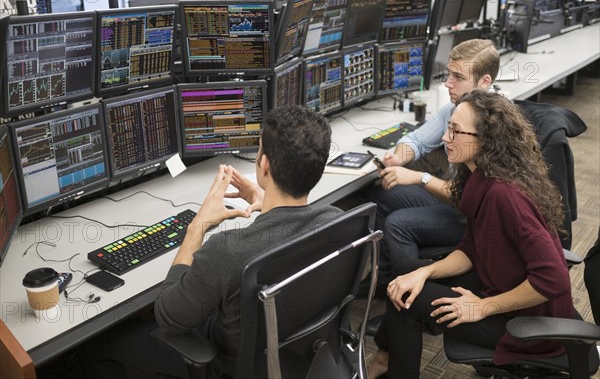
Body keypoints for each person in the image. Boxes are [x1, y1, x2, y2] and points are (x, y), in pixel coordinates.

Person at [80, 105, 342, 378]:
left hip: (226, 364)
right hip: (298, 354)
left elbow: (169, 315)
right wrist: (269, 204)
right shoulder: (337, 221)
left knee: (96, 343)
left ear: (264, 164)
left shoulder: (228, 250)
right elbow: (288, 231)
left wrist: (198, 225)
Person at [368, 90, 574, 379]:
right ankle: (386, 361)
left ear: (486, 140)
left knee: (406, 300)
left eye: (455, 131)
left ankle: (387, 364)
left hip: (531, 324)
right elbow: (471, 247)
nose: (444, 138)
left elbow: (554, 278)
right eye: (447, 128)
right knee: (407, 279)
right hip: (502, 286)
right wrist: (425, 273)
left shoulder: (506, 196)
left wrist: (482, 307)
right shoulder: (480, 177)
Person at [369, 39, 500, 287]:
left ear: (484, 82)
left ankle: (415, 295)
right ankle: (385, 281)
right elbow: (417, 140)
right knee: (383, 192)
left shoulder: (493, 123)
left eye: (458, 77)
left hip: (476, 219)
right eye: (449, 73)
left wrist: (420, 177)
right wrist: (399, 158)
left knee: (398, 224)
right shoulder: (456, 109)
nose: (448, 83)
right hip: (458, 199)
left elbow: (469, 200)